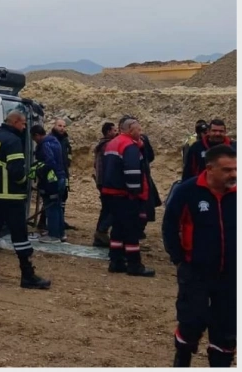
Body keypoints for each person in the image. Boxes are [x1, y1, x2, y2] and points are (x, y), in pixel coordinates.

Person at [162, 144, 236, 367]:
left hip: (232, 274)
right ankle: (182, 358)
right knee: (192, 320)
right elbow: (169, 226)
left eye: (235, 169)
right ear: (210, 169)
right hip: (196, 272)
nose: (233, 174)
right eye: (227, 170)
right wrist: (179, 259)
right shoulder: (188, 191)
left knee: (227, 328)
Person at [0, 110, 51, 289]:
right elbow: (16, 172)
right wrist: (27, 179)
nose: (25, 127)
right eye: (24, 124)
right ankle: (27, 275)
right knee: (20, 236)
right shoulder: (13, 141)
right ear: (15, 122)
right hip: (11, 196)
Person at [101, 117, 155, 277]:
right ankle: (134, 264)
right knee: (132, 229)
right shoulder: (129, 146)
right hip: (125, 195)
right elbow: (132, 172)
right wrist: (135, 194)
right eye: (139, 129)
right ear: (131, 130)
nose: (141, 132)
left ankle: (116, 261)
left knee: (117, 228)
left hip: (111, 193)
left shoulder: (113, 143)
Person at [30, 124, 65, 244]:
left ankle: (54, 235)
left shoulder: (45, 145)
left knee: (51, 207)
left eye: (34, 139)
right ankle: (60, 233)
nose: (34, 141)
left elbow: (50, 163)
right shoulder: (54, 141)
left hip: (51, 181)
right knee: (57, 206)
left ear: (37, 135)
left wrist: (38, 170)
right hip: (60, 178)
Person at [92, 122, 117, 247]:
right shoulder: (107, 145)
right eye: (114, 130)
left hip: (102, 182)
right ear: (108, 132)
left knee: (106, 209)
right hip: (107, 182)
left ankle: (100, 235)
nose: (116, 132)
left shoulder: (102, 145)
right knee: (112, 209)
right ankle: (101, 232)